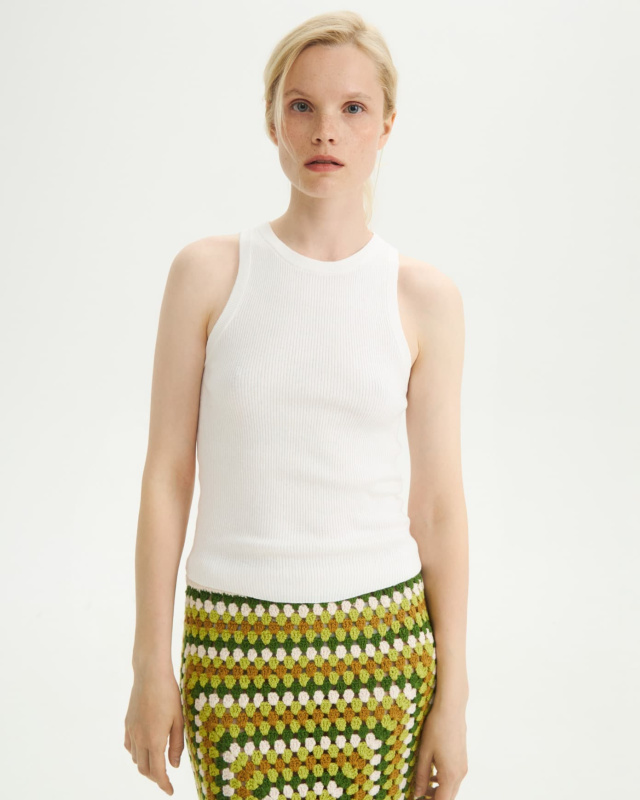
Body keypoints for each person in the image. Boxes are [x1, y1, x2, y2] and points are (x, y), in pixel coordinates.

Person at [124, 10, 469, 800]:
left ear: (387, 125)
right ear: (273, 120)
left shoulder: (423, 298)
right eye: (302, 105)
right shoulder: (208, 276)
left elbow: (439, 507)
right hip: (231, 647)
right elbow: (167, 477)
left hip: (384, 652)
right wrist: (149, 662)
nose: (326, 130)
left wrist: (454, 694)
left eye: (353, 108)